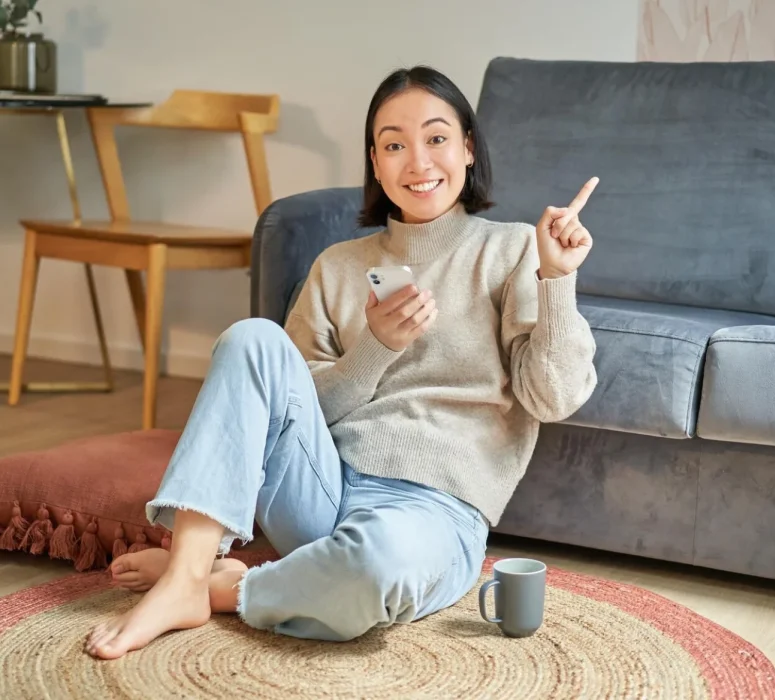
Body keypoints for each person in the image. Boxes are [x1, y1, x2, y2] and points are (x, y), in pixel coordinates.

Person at [84, 65, 598, 660]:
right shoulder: (338, 266)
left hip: (432, 512)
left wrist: (556, 279)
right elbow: (292, 410)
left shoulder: (513, 251)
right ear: (375, 163)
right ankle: (185, 575)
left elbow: (553, 398)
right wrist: (374, 349)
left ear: (467, 149)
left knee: (377, 568)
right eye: (394, 145)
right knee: (253, 338)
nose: (418, 161)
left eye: (436, 138)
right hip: (319, 485)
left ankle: (228, 586)